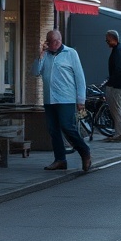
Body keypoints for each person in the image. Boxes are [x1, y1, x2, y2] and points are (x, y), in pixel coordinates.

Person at [32, 29, 91, 172]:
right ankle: (60, 160)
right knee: (53, 130)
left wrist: (81, 99)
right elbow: (35, 72)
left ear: (60, 40)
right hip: (49, 99)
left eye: (56, 41)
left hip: (66, 98)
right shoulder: (45, 55)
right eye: (51, 42)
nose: (54, 44)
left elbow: (80, 77)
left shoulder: (70, 53)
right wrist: (40, 55)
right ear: (47, 42)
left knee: (67, 126)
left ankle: (84, 151)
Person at [104, 29, 121, 142]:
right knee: (118, 106)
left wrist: (111, 80)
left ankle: (120, 133)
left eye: (108, 40)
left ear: (114, 39)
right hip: (120, 84)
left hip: (116, 85)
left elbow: (119, 68)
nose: (107, 43)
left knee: (115, 108)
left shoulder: (118, 50)